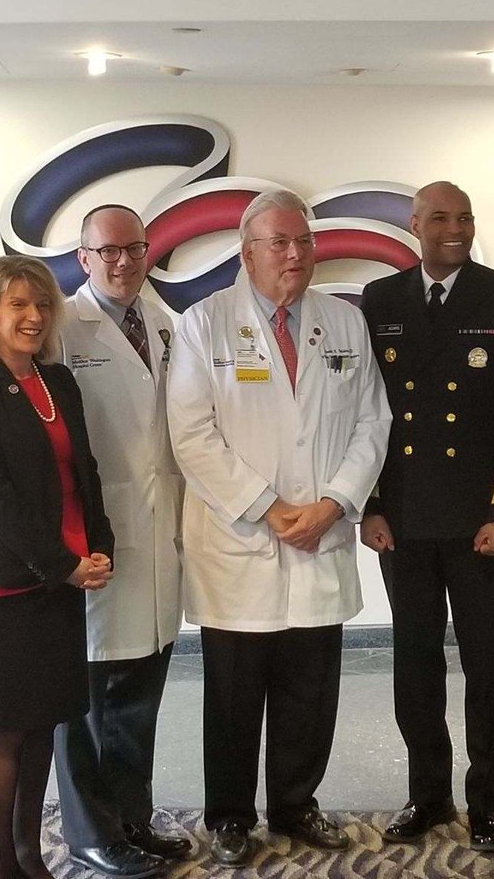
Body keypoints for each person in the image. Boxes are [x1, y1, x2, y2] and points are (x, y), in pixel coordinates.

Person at [167, 189, 391, 867]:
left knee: (309, 690)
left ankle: (296, 805)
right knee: (234, 695)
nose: (296, 254)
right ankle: (231, 817)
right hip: (240, 541)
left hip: (321, 533)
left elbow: (372, 421)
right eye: (280, 242)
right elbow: (192, 434)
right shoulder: (204, 323)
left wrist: (334, 503)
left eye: (304, 241)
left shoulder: (343, 321)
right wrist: (268, 507)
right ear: (247, 253)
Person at [359, 181, 494, 852]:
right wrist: (371, 504)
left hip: (479, 523)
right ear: (415, 224)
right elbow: (366, 412)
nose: (455, 228)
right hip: (404, 522)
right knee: (415, 666)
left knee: (485, 667)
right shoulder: (380, 300)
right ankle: (428, 794)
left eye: (464, 217)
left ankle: (486, 802)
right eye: (440, 218)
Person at [0, 255, 115, 879]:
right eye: (17, 304)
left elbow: (84, 470)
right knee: (5, 729)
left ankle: (29, 856)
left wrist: (100, 544)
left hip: (60, 574)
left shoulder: (56, 381)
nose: (34, 316)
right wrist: (62, 564)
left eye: (41, 305)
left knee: (44, 724)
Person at [53, 205, 188, 878]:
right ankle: (90, 833)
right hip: (94, 541)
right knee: (86, 702)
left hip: (158, 538)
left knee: (137, 699)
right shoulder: (59, 327)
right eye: (106, 251)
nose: (122, 261)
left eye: (133, 248)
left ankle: (132, 820)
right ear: (84, 258)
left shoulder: (165, 323)